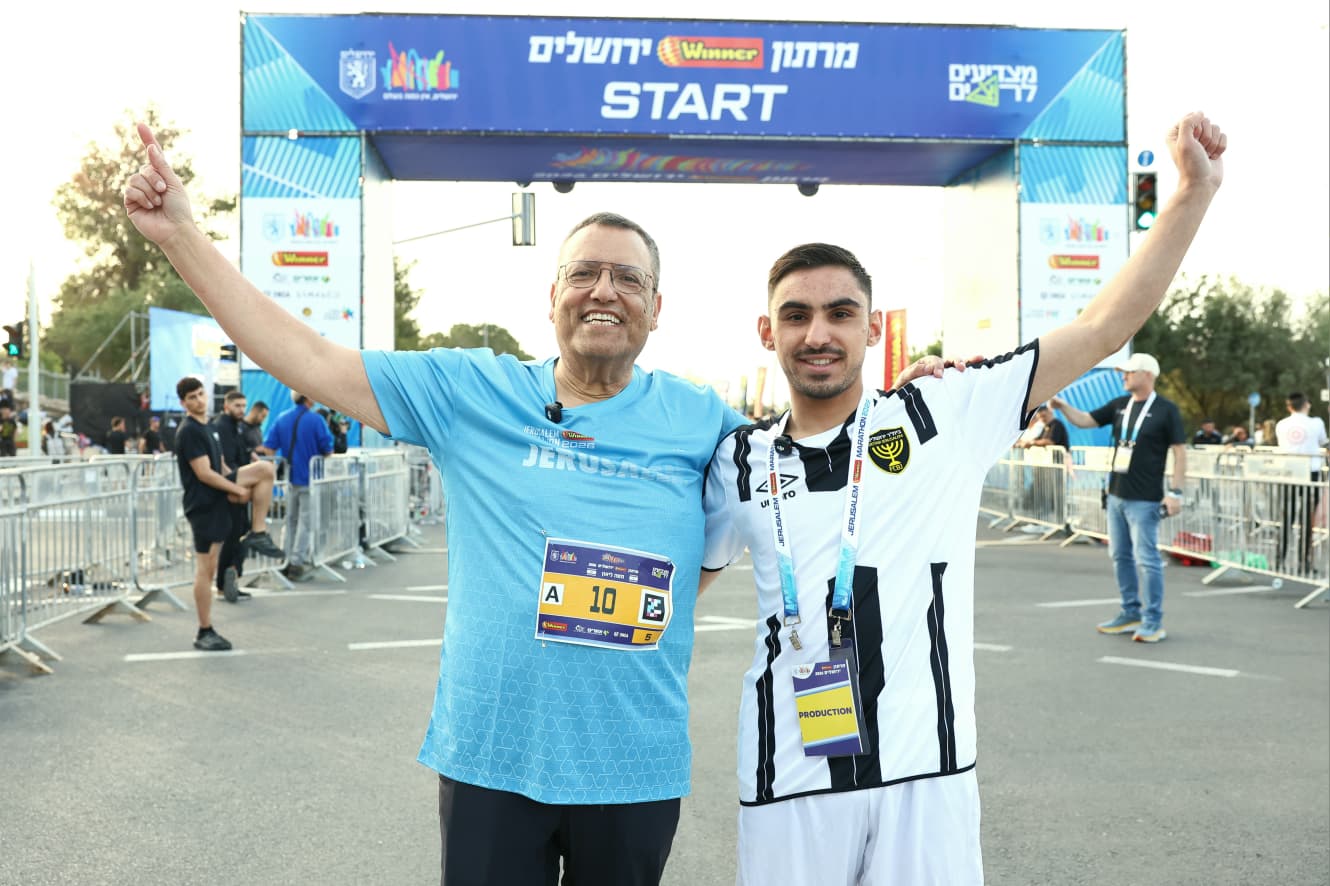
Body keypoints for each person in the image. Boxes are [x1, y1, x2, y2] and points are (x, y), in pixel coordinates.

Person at [123, 121, 979, 885]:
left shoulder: (703, 424)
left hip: (633, 768)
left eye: (628, 279)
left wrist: (909, 403)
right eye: (585, 274)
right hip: (492, 760)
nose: (604, 290)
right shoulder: (470, 391)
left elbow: (814, 454)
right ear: (553, 296)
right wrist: (183, 239)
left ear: (655, 309)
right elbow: (304, 355)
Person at [701, 110, 1225, 884]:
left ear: (872, 328)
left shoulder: (941, 412)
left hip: (929, 774)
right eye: (797, 315)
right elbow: (681, 589)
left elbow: (1101, 326)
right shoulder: (737, 460)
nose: (819, 333)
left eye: (841, 314)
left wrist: (1191, 195)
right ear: (765, 332)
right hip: (790, 777)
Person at [1052, 351, 1187, 643]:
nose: (1123, 376)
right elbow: (1086, 421)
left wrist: (1175, 493)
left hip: (1146, 499)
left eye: (1129, 371)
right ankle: (1130, 612)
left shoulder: (1166, 409)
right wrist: (1062, 406)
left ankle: (1153, 621)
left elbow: (1179, 451)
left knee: (1147, 559)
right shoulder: (1120, 405)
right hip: (1116, 495)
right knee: (1120, 556)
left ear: (1147, 374)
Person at [173, 376, 281, 650]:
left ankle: (258, 532)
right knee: (206, 569)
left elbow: (219, 464)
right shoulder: (189, 431)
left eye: (200, 394)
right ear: (183, 403)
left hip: (218, 498)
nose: (198, 400)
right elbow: (203, 473)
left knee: (266, 470)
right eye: (192, 397)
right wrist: (236, 488)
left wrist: (236, 486)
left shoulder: (208, 426)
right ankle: (204, 629)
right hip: (204, 505)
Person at [264, 391, 334, 581]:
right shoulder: (316, 420)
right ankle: (296, 562)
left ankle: (285, 559)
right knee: (306, 522)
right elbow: (328, 448)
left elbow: (269, 446)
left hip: (290, 477)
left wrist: (275, 467)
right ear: (308, 398)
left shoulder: (281, 418)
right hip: (311, 478)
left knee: (290, 520)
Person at [1275, 392, 1328, 575]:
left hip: (1288, 472)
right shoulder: (1316, 423)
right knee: (1307, 520)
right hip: (1310, 472)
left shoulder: (1281, 424)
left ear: (1289, 406)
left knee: (1286, 517)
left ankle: (1278, 559)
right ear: (1306, 404)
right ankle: (1304, 562)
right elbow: (1323, 441)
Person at [213, 390, 259, 602]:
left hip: (239, 485)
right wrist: (236, 487)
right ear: (226, 406)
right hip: (231, 487)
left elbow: (241, 455)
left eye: (243, 406)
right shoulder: (222, 427)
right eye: (237, 406)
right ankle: (224, 583)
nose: (241, 410)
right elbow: (224, 462)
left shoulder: (236, 427)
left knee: (239, 534)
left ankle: (231, 580)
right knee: (232, 537)